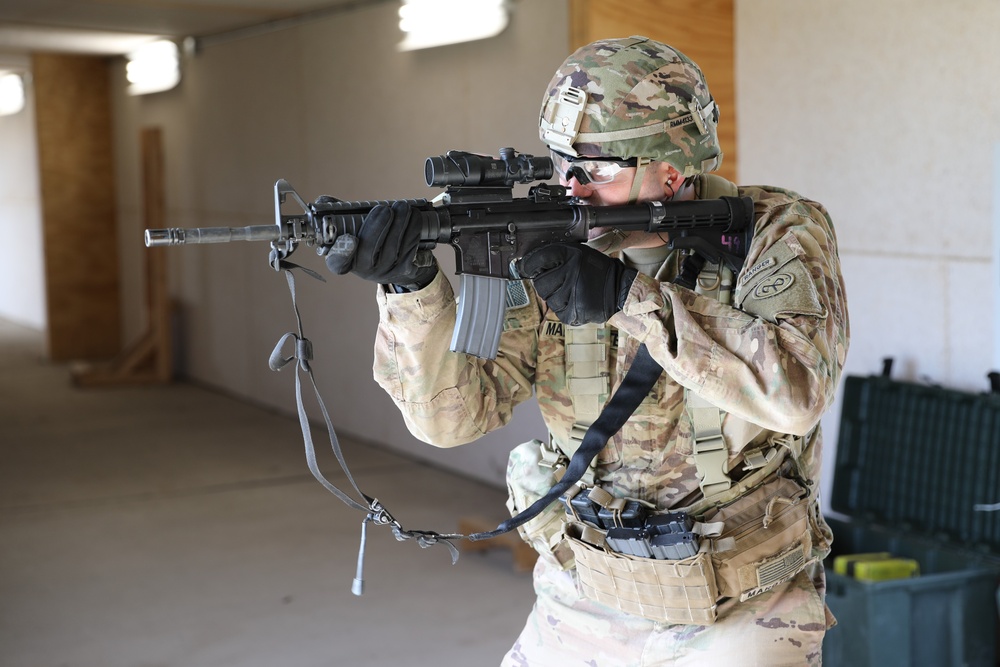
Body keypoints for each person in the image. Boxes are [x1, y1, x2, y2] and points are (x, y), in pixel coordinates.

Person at [326, 36, 849, 666]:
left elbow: (796, 392)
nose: (571, 187)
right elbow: (451, 419)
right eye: (560, 162)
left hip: (742, 599)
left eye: (595, 169)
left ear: (670, 169)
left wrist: (629, 296)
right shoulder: (554, 249)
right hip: (587, 591)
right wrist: (413, 291)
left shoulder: (776, 229)